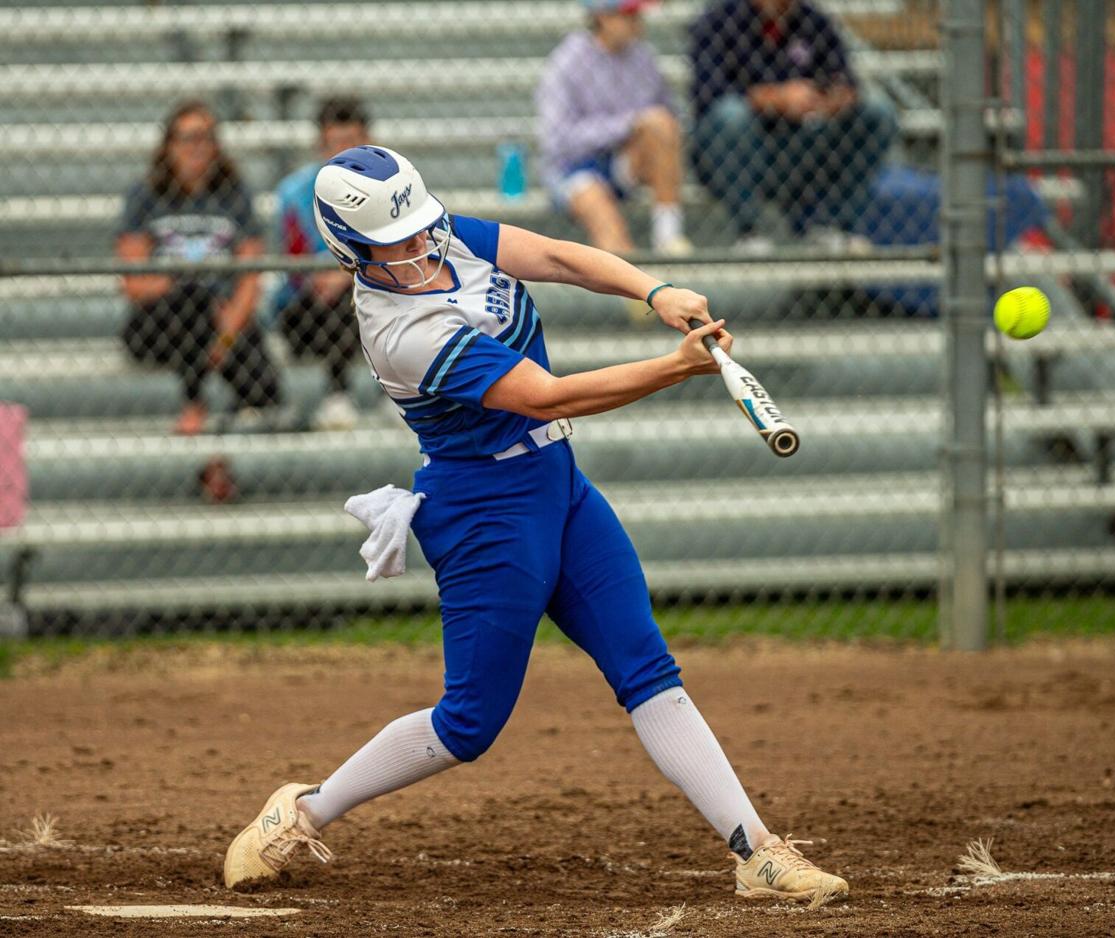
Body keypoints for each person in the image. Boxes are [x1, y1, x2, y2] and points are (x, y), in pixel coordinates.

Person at [222, 145, 848, 904]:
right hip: (484, 512)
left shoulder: (441, 233)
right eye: (396, 242)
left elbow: (554, 254)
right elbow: (548, 396)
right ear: (351, 250)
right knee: (469, 725)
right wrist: (674, 367)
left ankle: (757, 851)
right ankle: (306, 809)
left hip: (558, 486)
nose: (421, 246)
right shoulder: (399, 330)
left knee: (646, 667)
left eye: (420, 227)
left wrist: (655, 291)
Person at [117, 100, 283, 435]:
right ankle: (199, 402)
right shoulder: (146, 195)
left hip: (224, 319)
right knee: (192, 298)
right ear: (169, 146)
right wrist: (181, 284)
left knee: (222, 323)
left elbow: (252, 275)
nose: (197, 147)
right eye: (188, 138)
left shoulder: (233, 194)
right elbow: (134, 284)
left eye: (205, 137)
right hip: (158, 323)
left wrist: (225, 332)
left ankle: (218, 430)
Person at [689, 0, 897, 253]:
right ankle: (750, 232)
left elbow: (845, 83)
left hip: (803, 143)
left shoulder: (812, 20)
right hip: (739, 149)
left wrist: (823, 101)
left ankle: (832, 226)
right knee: (731, 115)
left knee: (877, 111)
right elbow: (708, 95)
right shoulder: (719, 20)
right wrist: (776, 98)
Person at [536, 0, 692, 256]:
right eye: (629, 16)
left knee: (661, 124)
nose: (638, 23)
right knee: (595, 201)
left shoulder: (642, 56)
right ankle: (633, 288)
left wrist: (643, 127)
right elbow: (559, 141)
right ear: (603, 17)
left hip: (625, 160)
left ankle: (669, 236)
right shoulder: (567, 61)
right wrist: (629, 124)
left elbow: (669, 115)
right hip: (575, 167)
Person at [273, 97, 370, 430]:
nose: (346, 153)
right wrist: (348, 270)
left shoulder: (389, 189)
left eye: (354, 142)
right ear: (321, 145)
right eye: (337, 143)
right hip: (306, 312)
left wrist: (347, 273)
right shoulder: (294, 192)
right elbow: (298, 269)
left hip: (366, 296)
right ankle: (337, 394)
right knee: (338, 301)